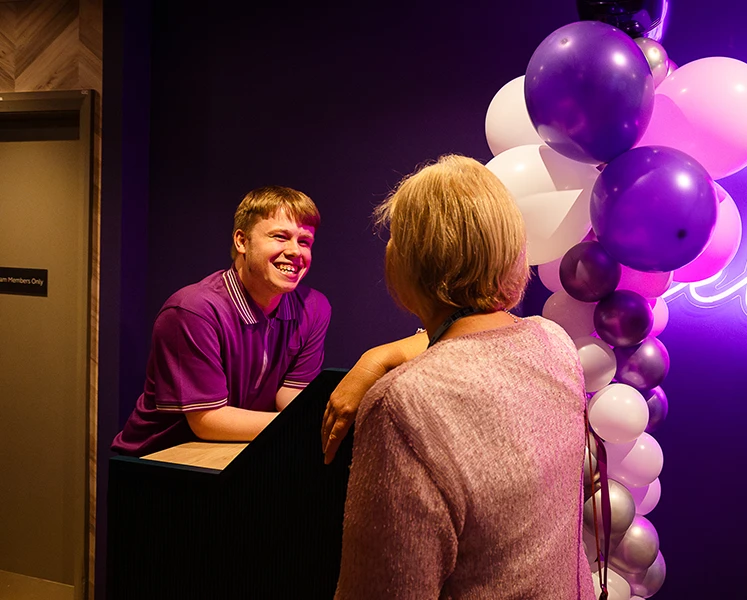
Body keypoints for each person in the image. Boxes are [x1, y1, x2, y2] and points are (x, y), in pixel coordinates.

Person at [323, 155, 596, 599]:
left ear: (410, 263)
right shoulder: (555, 343)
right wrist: (380, 357)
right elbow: (476, 336)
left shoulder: (404, 407)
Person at [112, 186, 331, 456]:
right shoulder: (193, 310)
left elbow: (290, 396)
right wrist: (304, 423)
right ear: (242, 241)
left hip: (236, 455)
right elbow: (208, 421)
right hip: (159, 462)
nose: (295, 252)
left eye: (304, 241)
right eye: (280, 237)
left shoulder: (314, 307)